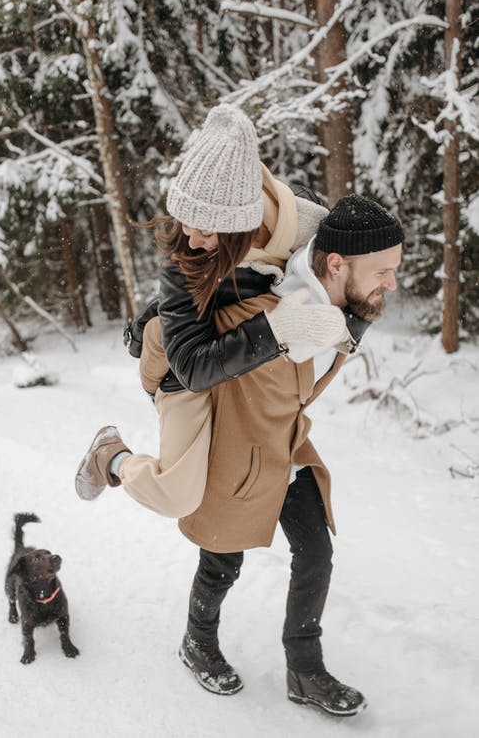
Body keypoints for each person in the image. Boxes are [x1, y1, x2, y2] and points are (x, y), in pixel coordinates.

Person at [75, 104, 403, 717]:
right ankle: (111, 458)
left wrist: (350, 311)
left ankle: (304, 667)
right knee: (193, 504)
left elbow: (348, 259)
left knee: (313, 545)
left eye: (207, 228)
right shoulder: (187, 260)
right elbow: (196, 363)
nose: (192, 239)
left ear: (246, 218)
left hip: (271, 400)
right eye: (185, 223)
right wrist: (275, 329)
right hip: (188, 376)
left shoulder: (301, 227)